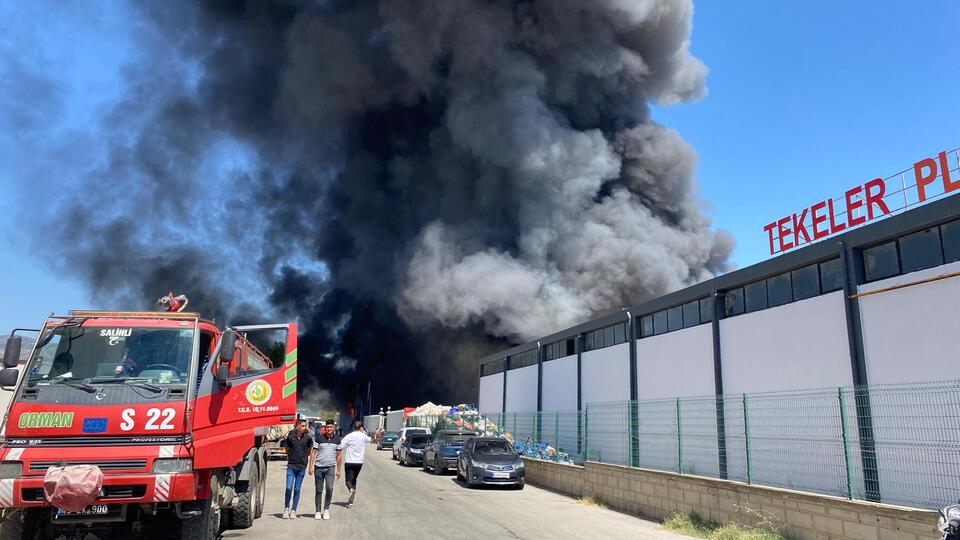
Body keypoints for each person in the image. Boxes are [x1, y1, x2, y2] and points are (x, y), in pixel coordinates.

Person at [308, 420, 342, 520]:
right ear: (325, 428)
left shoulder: (337, 440)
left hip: (330, 468)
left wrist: (339, 470)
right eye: (327, 427)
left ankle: (326, 509)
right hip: (318, 467)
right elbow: (313, 452)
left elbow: (339, 455)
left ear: (334, 428)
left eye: (331, 427)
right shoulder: (319, 438)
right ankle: (318, 511)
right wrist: (310, 466)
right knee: (318, 490)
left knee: (329, 488)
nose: (329, 429)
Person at [281, 419, 313, 519]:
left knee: (297, 489)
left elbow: (309, 451)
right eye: (302, 426)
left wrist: (303, 460)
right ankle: (286, 508)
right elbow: (287, 449)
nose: (304, 427)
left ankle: (294, 510)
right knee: (288, 488)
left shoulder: (308, 438)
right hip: (291, 466)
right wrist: (291, 457)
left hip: (301, 467)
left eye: (305, 426)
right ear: (297, 426)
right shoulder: (290, 438)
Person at [339, 420, 371, 508]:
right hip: (359, 462)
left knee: (348, 480)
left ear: (353, 427)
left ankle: (351, 490)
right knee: (354, 479)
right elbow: (370, 439)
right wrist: (364, 432)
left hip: (349, 461)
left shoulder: (349, 436)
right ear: (361, 428)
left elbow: (341, 445)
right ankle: (351, 501)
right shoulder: (363, 436)